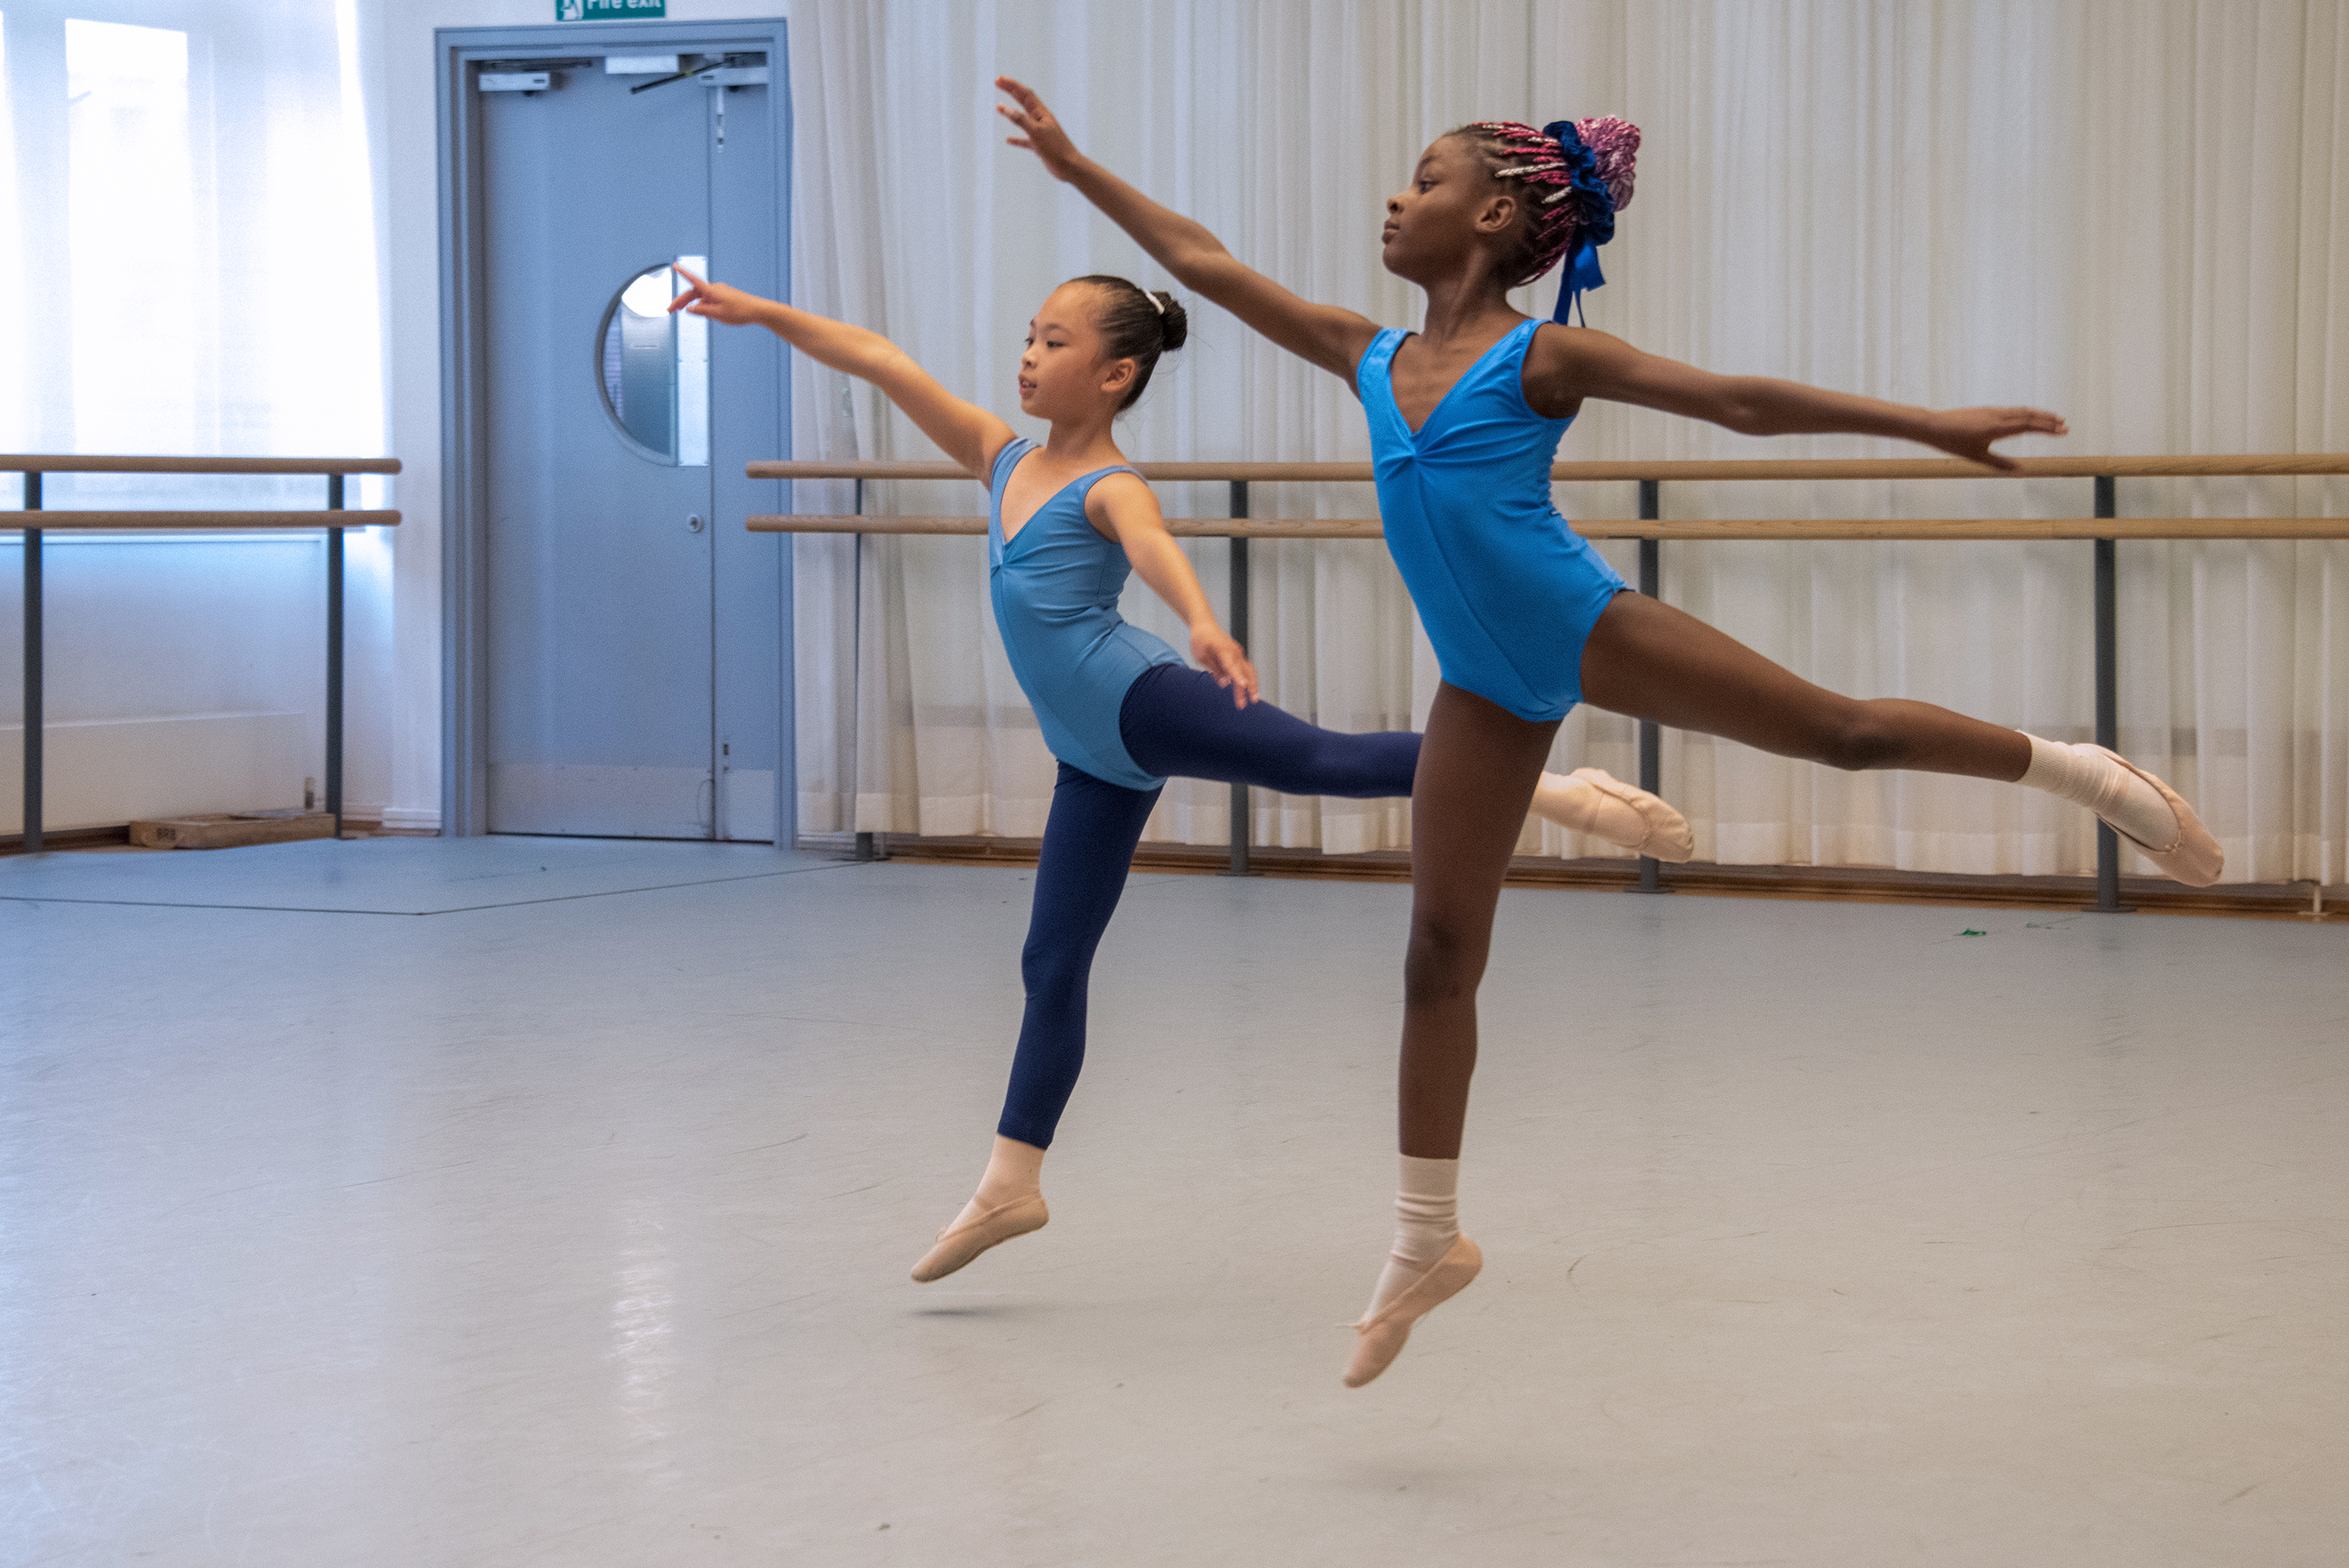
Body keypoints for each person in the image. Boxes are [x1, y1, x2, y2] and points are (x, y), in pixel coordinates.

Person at [991, 77, 2223, 1387]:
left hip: (1576, 620)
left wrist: (1925, 426)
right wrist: (1075, 169)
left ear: (1495, 214)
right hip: (1479, 679)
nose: (1395, 198)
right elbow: (1204, 265)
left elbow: (1735, 402)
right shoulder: (1364, 352)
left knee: (1838, 730)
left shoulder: (1538, 359)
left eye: (1424, 179)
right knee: (1436, 956)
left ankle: (2080, 769)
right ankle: (1424, 1239)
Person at [667, 266, 1696, 1285]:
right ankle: (1009, 1183)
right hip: (1087, 755)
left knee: (1318, 759)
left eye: (1054, 341)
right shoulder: (999, 457)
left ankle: (1556, 791)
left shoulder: (1106, 483)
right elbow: (883, 363)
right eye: (1029, 333)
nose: (1029, 354)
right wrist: (752, 311)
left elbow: (1151, 543)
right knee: (1050, 964)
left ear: (1116, 375)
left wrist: (1202, 620)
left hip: (1139, 699)